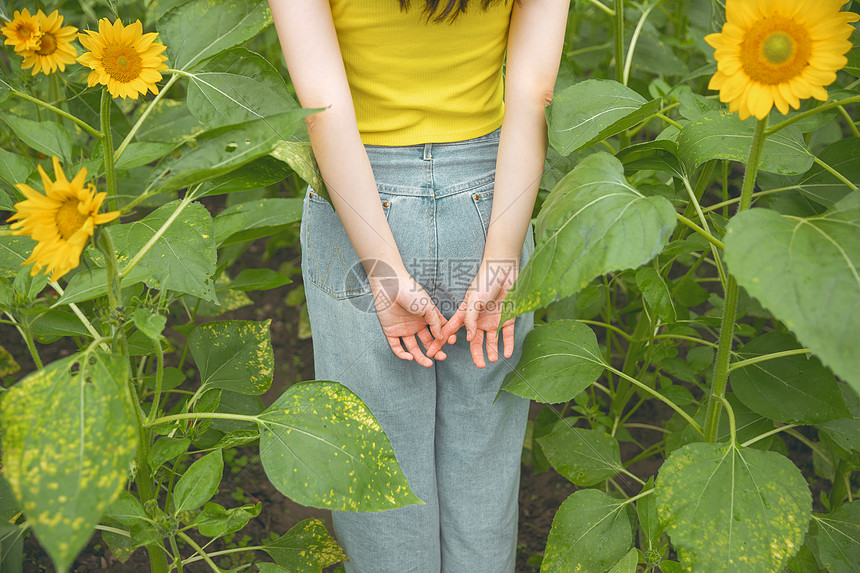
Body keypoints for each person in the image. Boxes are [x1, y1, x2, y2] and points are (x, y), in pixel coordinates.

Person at [267, 1, 567, 571]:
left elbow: (322, 110)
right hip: (492, 201)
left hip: (360, 208)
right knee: (485, 453)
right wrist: (501, 259)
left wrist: (384, 272)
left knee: (374, 459)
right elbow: (534, 94)